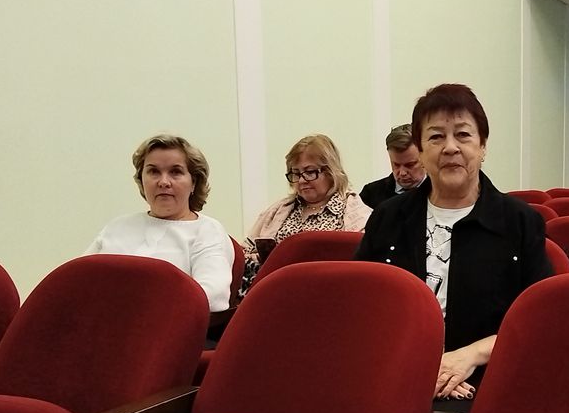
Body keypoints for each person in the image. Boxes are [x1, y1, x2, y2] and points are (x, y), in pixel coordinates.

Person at [356, 83, 552, 403]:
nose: (450, 147)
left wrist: (468, 356)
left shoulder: (519, 221)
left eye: (462, 135)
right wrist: (422, 368)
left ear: (482, 146)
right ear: (420, 151)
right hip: (397, 374)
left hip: (486, 380)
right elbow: (364, 307)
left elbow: (540, 320)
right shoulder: (387, 217)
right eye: (436, 137)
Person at [86, 134, 234, 312]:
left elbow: (213, 297)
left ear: (193, 182)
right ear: (141, 181)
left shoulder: (207, 231)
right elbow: (78, 279)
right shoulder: (117, 227)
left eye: (175, 172)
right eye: (154, 171)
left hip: (166, 325)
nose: (163, 182)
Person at [241, 134, 371, 293]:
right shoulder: (277, 211)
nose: (302, 180)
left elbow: (363, 264)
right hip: (277, 293)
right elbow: (244, 254)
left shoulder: (356, 212)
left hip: (333, 292)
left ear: (331, 172)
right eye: (296, 173)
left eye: (310, 172)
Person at [360, 124, 426, 208]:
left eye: (410, 165)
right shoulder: (370, 195)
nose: (402, 173)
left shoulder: (439, 194)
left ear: (425, 157)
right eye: (396, 165)